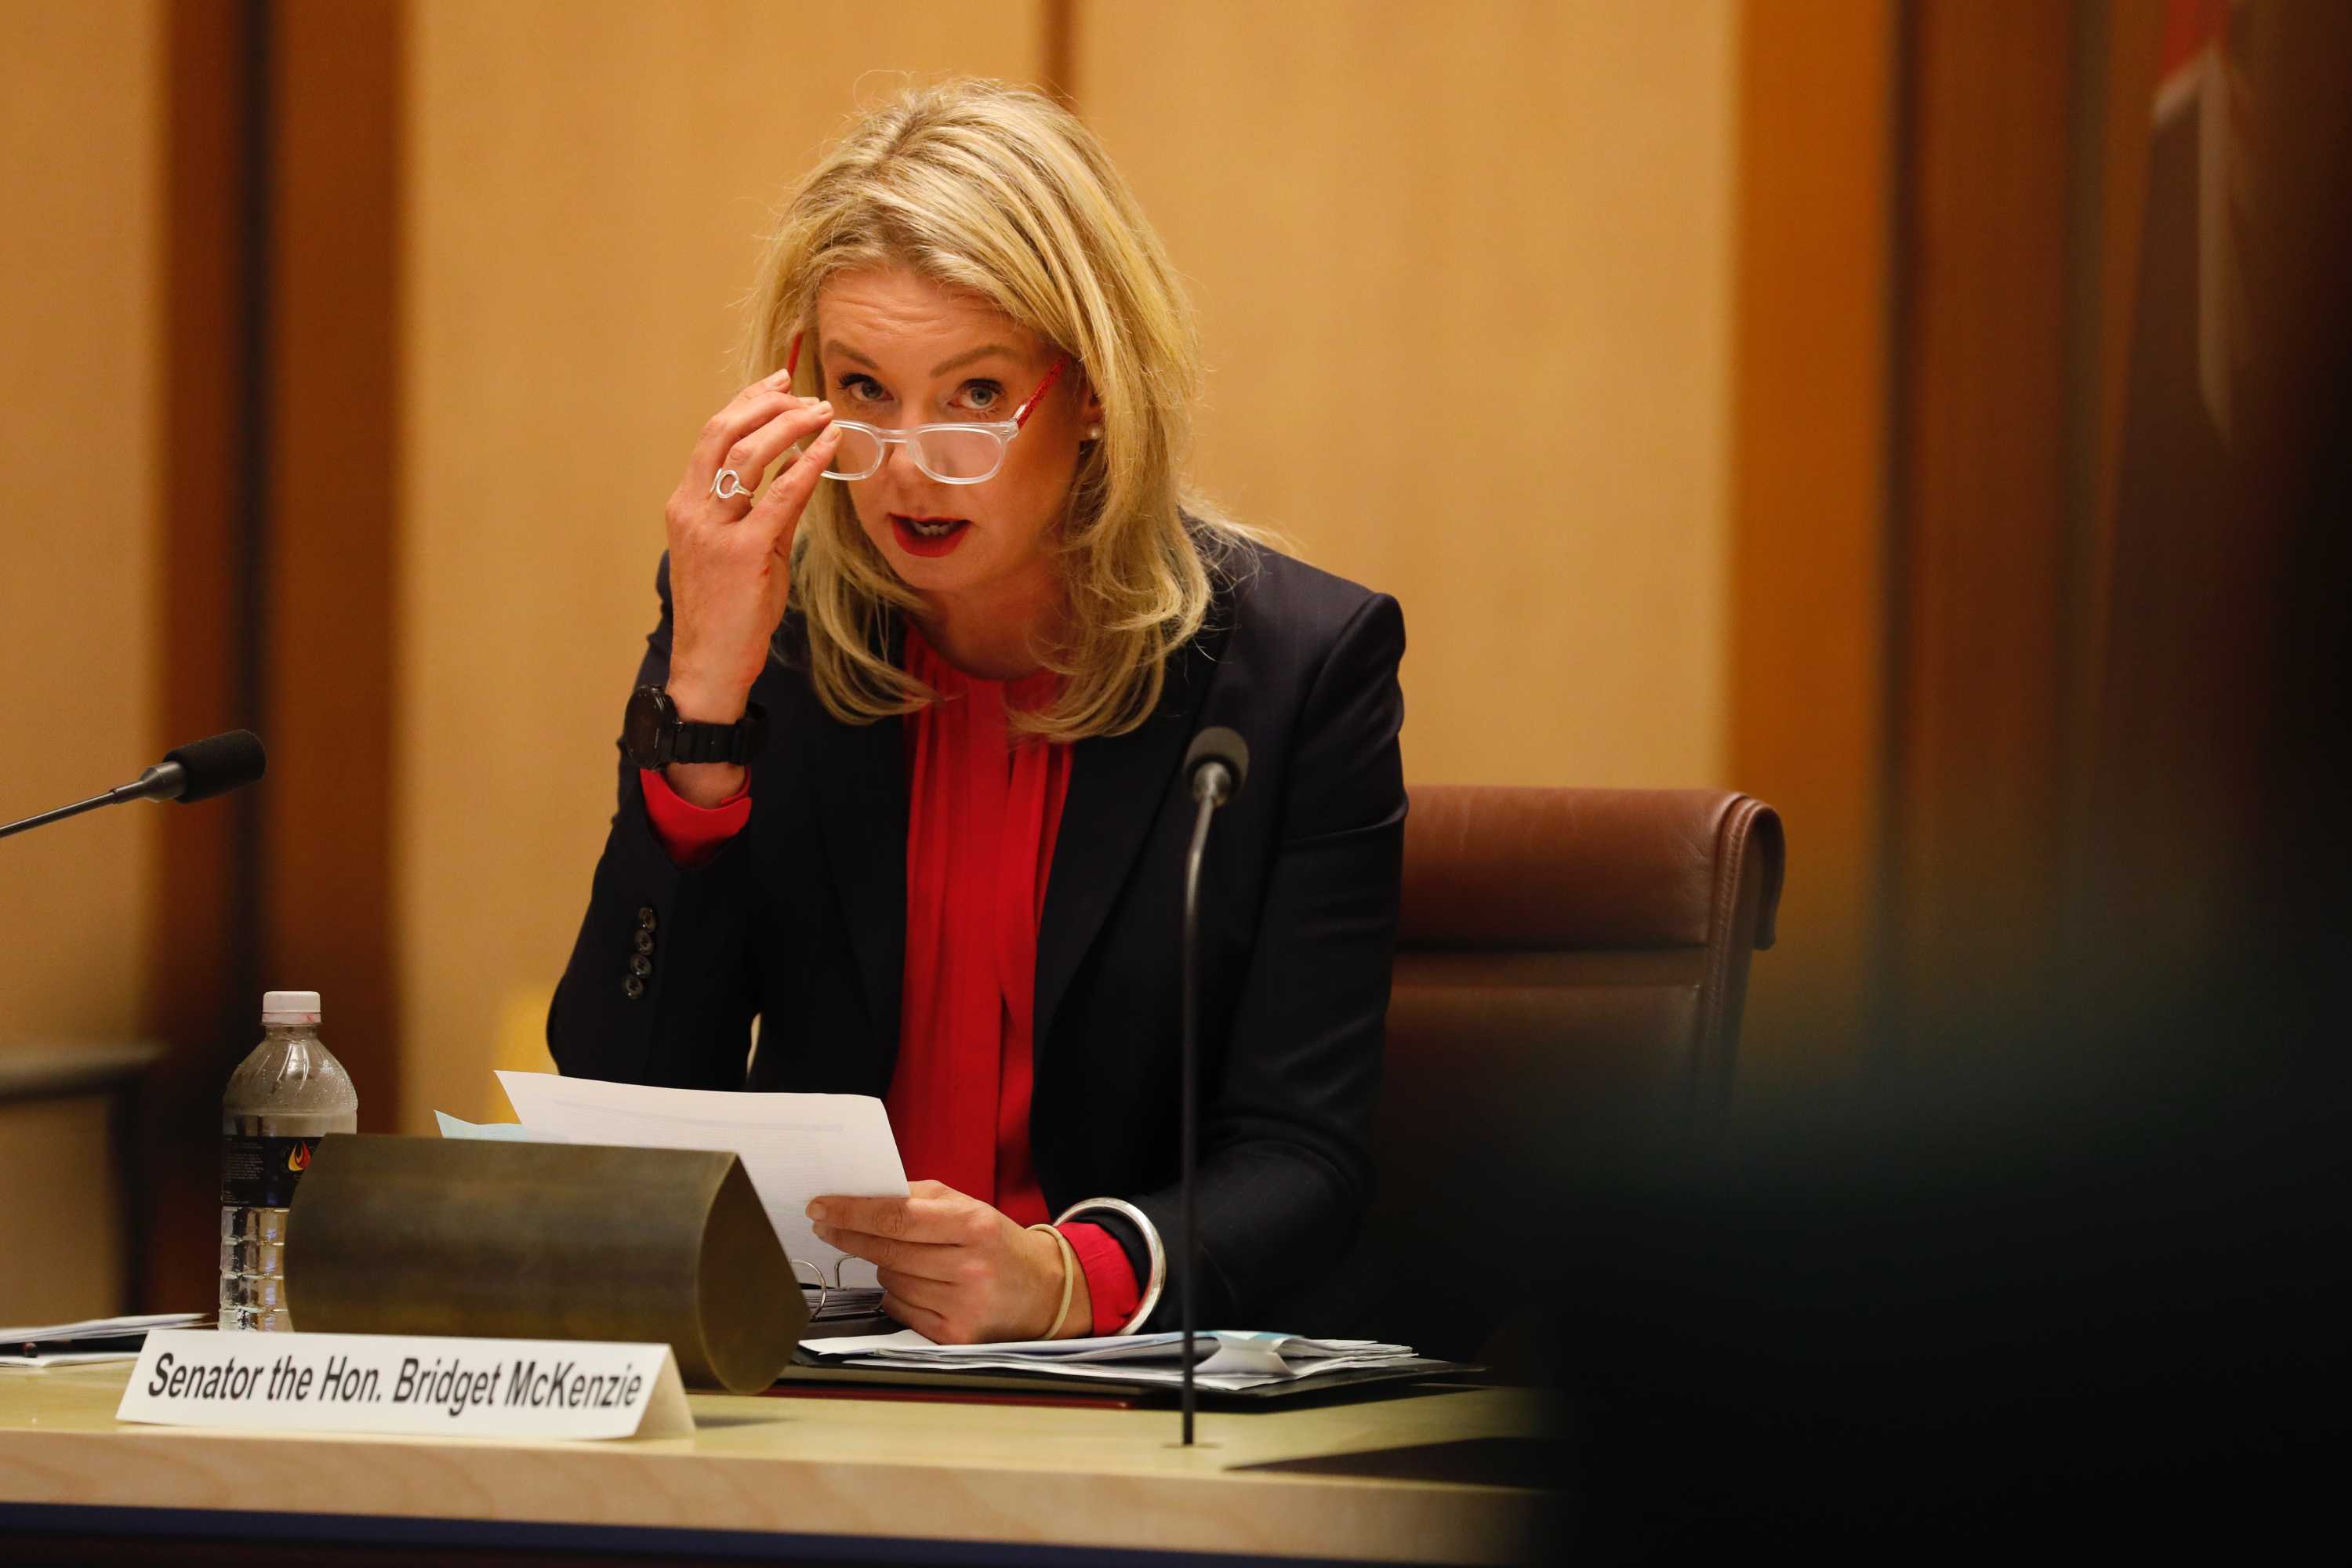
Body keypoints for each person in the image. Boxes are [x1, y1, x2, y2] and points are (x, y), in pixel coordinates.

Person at [549, 78, 1406, 1345]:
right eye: (863, 389)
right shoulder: (754, 632)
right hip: (813, 1369)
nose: (905, 464)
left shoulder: (1293, 672)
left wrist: (1069, 1280)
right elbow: (627, 1093)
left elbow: (1301, 1155)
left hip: (1122, 1379)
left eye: (976, 397)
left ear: (1098, 389)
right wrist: (704, 708)